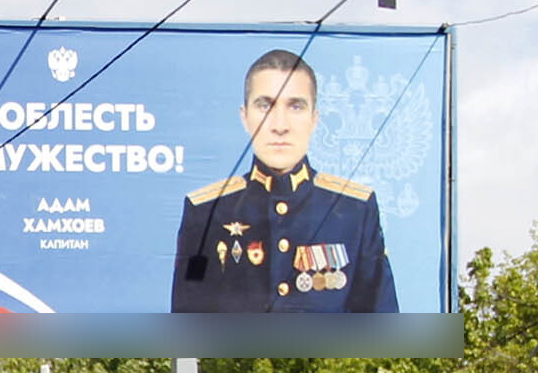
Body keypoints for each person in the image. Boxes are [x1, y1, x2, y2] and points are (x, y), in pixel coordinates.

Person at [171, 49, 399, 313]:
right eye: (265, 105)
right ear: (245, 117)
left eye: (296, 106)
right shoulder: (206, 213)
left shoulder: (353, 211)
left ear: (315, 119)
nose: (280, 125)